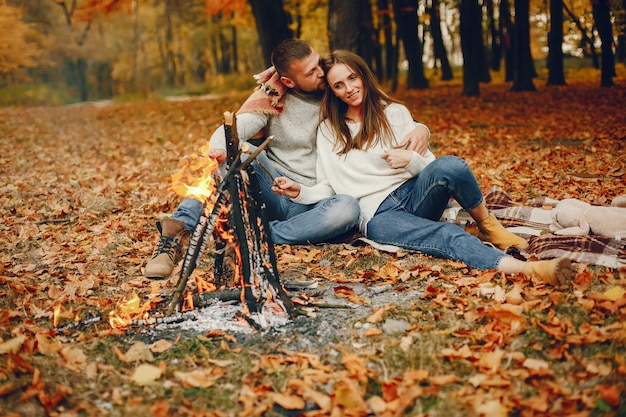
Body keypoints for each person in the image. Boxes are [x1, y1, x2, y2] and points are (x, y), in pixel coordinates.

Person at [272, 50, 575, 285]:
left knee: (452, 165)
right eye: (339, 85)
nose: (349, 88)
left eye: (352, 78)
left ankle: (490, 227)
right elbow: (331, 186)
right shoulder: (328, 130)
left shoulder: (395, 113)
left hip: (414, 194)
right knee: (445, 235)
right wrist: (301, 192)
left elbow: (434, 169)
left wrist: (411, 161)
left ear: (364, 76)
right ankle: (530, 270)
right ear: (333, 92)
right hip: (379, 216)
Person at [143, 39, 430, 279]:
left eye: (318, 63)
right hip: (274, 191)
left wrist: (421, 127)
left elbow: (382, 108)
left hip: (317, 199)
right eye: (310, 71)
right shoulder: (272, 97)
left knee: (347, 207)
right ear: (287, 81)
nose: (321, 72)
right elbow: (233, 128)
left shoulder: (336, 87)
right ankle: (175, 233)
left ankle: (255, 235)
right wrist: (219, 151)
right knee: (233, 154)